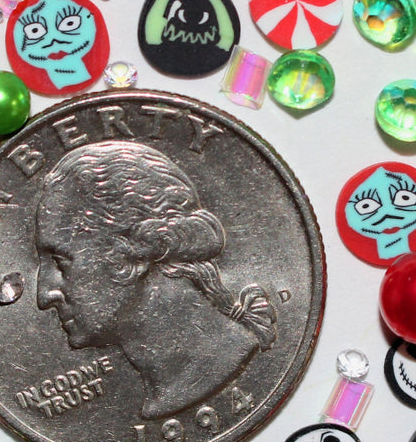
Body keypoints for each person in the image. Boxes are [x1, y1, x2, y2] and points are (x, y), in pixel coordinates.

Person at [35, 140, 277, 419]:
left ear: (131, 253)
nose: (45, 296)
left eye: (60, 263)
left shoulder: (214, 367)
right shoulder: (180, 383)